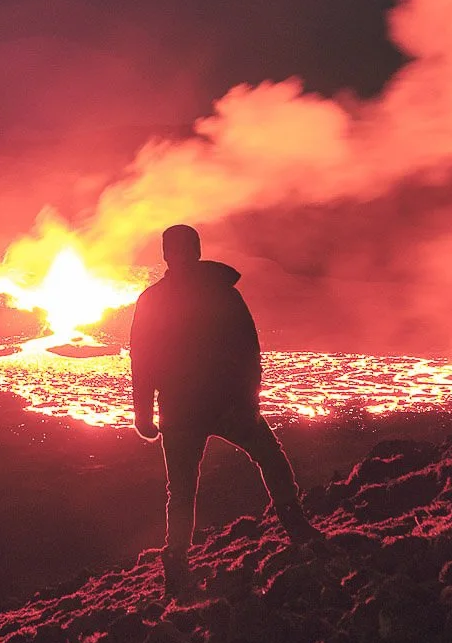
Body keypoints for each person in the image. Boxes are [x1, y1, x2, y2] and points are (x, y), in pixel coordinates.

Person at [130, 224, 322, 595]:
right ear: (168, 254)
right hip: (195, 408)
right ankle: (179, 563)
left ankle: (294, 527)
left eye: (185, 248)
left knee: (256, 463)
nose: (181, 254)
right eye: (177, 248)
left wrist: (247, 399)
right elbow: (145, 359)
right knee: (187, 487)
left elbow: (247, 350)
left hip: (212, 406)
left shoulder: (191, 296)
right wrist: (142, 413)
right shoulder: (211, 293)